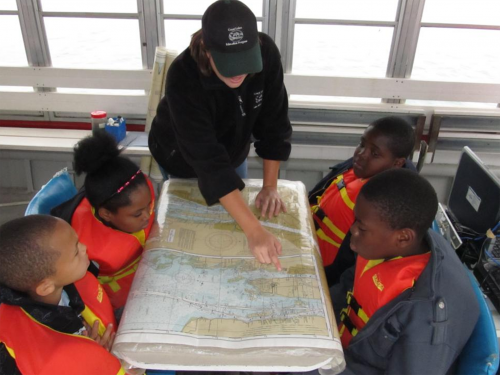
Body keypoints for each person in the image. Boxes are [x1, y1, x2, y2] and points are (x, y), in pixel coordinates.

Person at [148, 0, 292, 271]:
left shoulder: (267, 54)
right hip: (181, 154)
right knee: (193, 233)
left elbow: (274, 124)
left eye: (245, 61)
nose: (239, 72)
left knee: (234, 209)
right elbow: (208, 162)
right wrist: (255, 231)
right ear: (206, 48)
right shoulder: (183, 76)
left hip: (233, 148)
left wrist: (270, 186)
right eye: (229, 63)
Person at [330, 169, 479, 374]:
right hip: (338, 347)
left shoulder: (424, 321)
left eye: (362, 228)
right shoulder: (389, 242)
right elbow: (349, 283)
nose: (353, 229)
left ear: (403, 238)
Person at [0, 215, 124, 375]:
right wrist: (92, 360)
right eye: (75, 252)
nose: (84, 248)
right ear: (46, 287)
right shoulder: (41, 352)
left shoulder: (64, 281)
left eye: (78, 242)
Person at [51, 131, 156, 311]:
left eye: (149, 205)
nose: (147, 215)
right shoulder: (80, 247)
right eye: (138, 214)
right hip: (119, 300)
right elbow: (84, 293)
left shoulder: (138, 192)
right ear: (106, 214)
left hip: (149, 265)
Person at [308, 116, 416, 271]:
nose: (361, 154)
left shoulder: (384, 205)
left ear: (397, 163)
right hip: (307, 239)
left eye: (375, 154)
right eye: (362, 144)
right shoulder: (355, 166)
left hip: (324, 270)